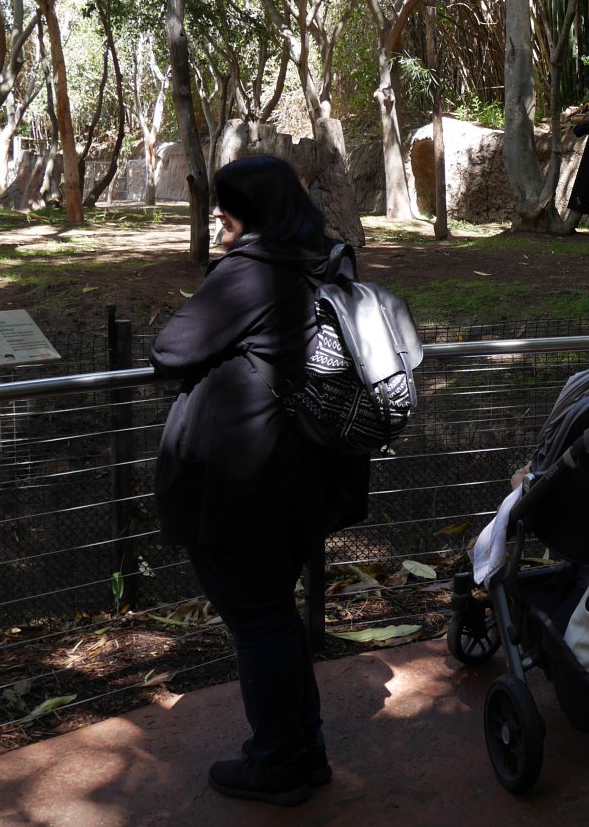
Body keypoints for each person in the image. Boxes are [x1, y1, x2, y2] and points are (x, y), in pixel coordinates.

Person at [151, 155, 368, 806]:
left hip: (244, 484)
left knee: (258, 620)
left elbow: (170, 349)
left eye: (230, 202)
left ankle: (277, 762)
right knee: (274, 613)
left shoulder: (253, 270)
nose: (218, 212)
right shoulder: (327, 257)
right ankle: (305, 749)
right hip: (305, 474)